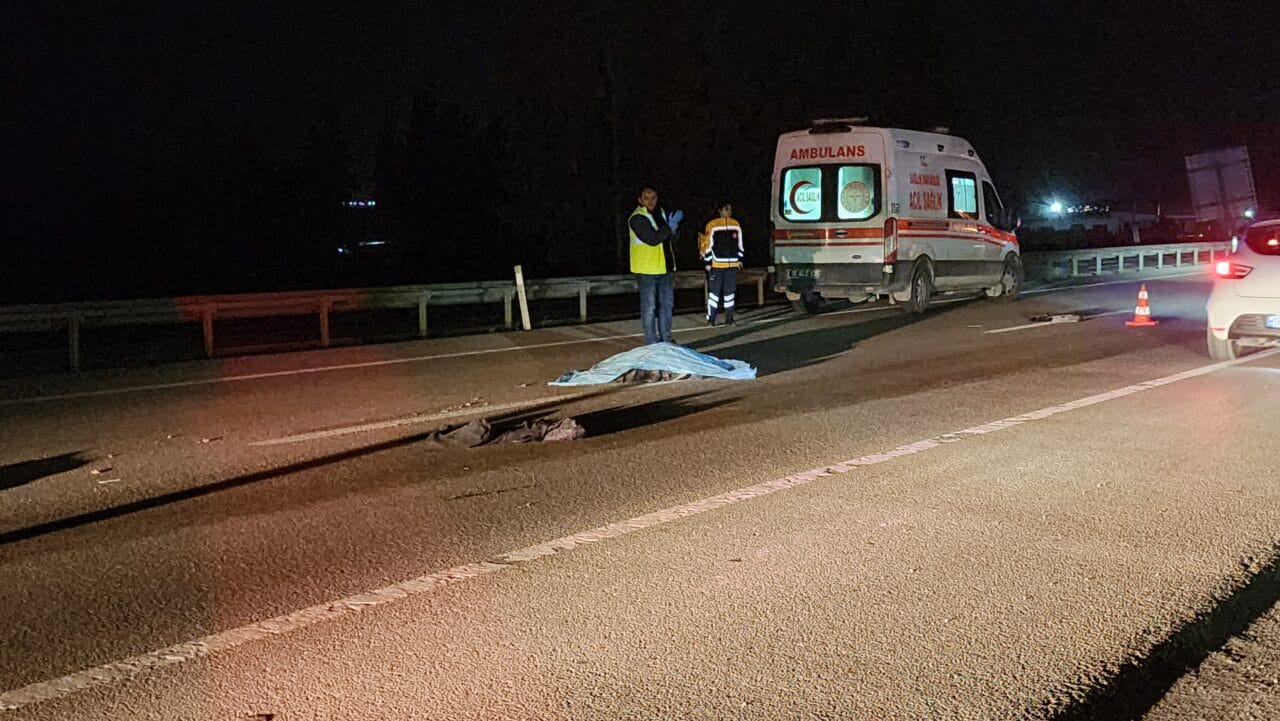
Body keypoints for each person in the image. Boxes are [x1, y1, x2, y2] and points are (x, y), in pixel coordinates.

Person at [628, 186, 683, 344]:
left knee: (667, 305)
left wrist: (674, 231)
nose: (651, 201)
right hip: (647, 270)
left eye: (653, 197)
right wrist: (669, 228)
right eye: (646, 198)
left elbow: (670, 239)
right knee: (649, 308)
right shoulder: (637, 218)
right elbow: (653, 239)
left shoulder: (661, 213)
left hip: (664, 267)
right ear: (640, 200)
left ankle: (666, 339)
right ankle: (651, 343)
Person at [698, 201, 744, 325]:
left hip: (732, 264)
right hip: (716, 264)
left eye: (730, 209)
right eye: (726, 209)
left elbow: (740, 244)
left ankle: (729, 318)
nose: (729, 211)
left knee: (730, 293)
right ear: (720, 210)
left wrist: (739, 259)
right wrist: (707, 262)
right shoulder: (712, 225)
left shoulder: (735, 224)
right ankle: (711, 318)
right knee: (714, 293)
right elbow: (708, 244)